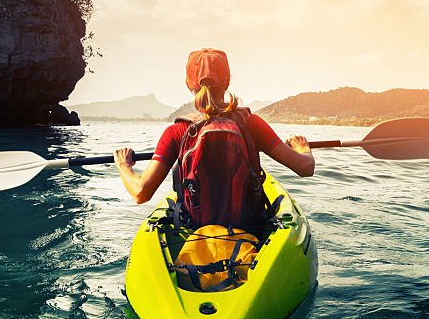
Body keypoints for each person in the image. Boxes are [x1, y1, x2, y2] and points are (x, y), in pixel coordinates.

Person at [113, 49, 314, 218]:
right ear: (227, 82)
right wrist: (303, 149)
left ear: (189, 84)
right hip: (249, 226)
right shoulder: (251, 124)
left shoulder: (177, 131)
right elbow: (305, 168)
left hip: (196, 229)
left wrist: (124, 166)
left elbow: (140, 193)